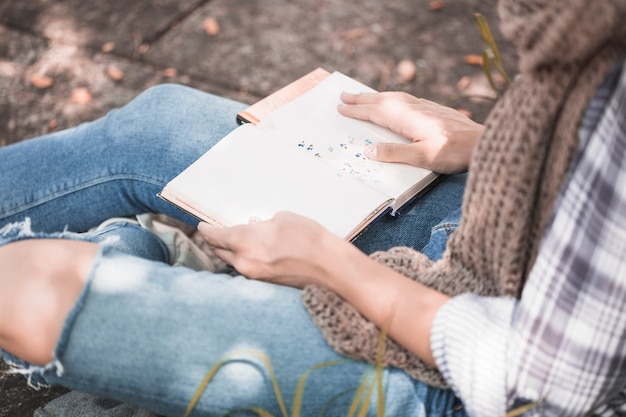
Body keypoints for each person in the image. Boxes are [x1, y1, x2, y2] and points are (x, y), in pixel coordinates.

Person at [1, 0, 625, 416]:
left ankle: (149, 256)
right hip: (498, 232)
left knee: (25, 289)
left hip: (464, 379)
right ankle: (153, 256)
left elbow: (546, 384)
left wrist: (332, 266)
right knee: (154, 123)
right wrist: (492, 144)